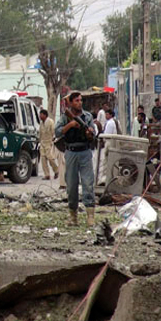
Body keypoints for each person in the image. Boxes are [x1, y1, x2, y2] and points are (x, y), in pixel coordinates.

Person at [55, 92, 96, 226]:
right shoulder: (65, 117)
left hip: (84, 151)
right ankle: (73, 217)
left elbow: (93, 135)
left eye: (81, 100)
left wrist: (89, 133)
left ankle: (90, 216)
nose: (80, 103)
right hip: (71, 152)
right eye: (77, 100)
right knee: (71, 186)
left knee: (88, 184)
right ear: (71, 103)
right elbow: (57, 131)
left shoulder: (87, 117)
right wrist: (71, 125)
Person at [38, 109, 59, 180]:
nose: (40, 116)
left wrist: (54, 139)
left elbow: (53, 131)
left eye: (41, 114)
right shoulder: (41, 123)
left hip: (49, 142)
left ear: (45, 115)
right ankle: (47, 175)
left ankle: (56, 171)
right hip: (42, 142)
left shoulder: (50, 122)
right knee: (43, 159)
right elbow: (40, 133)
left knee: (50, 158)